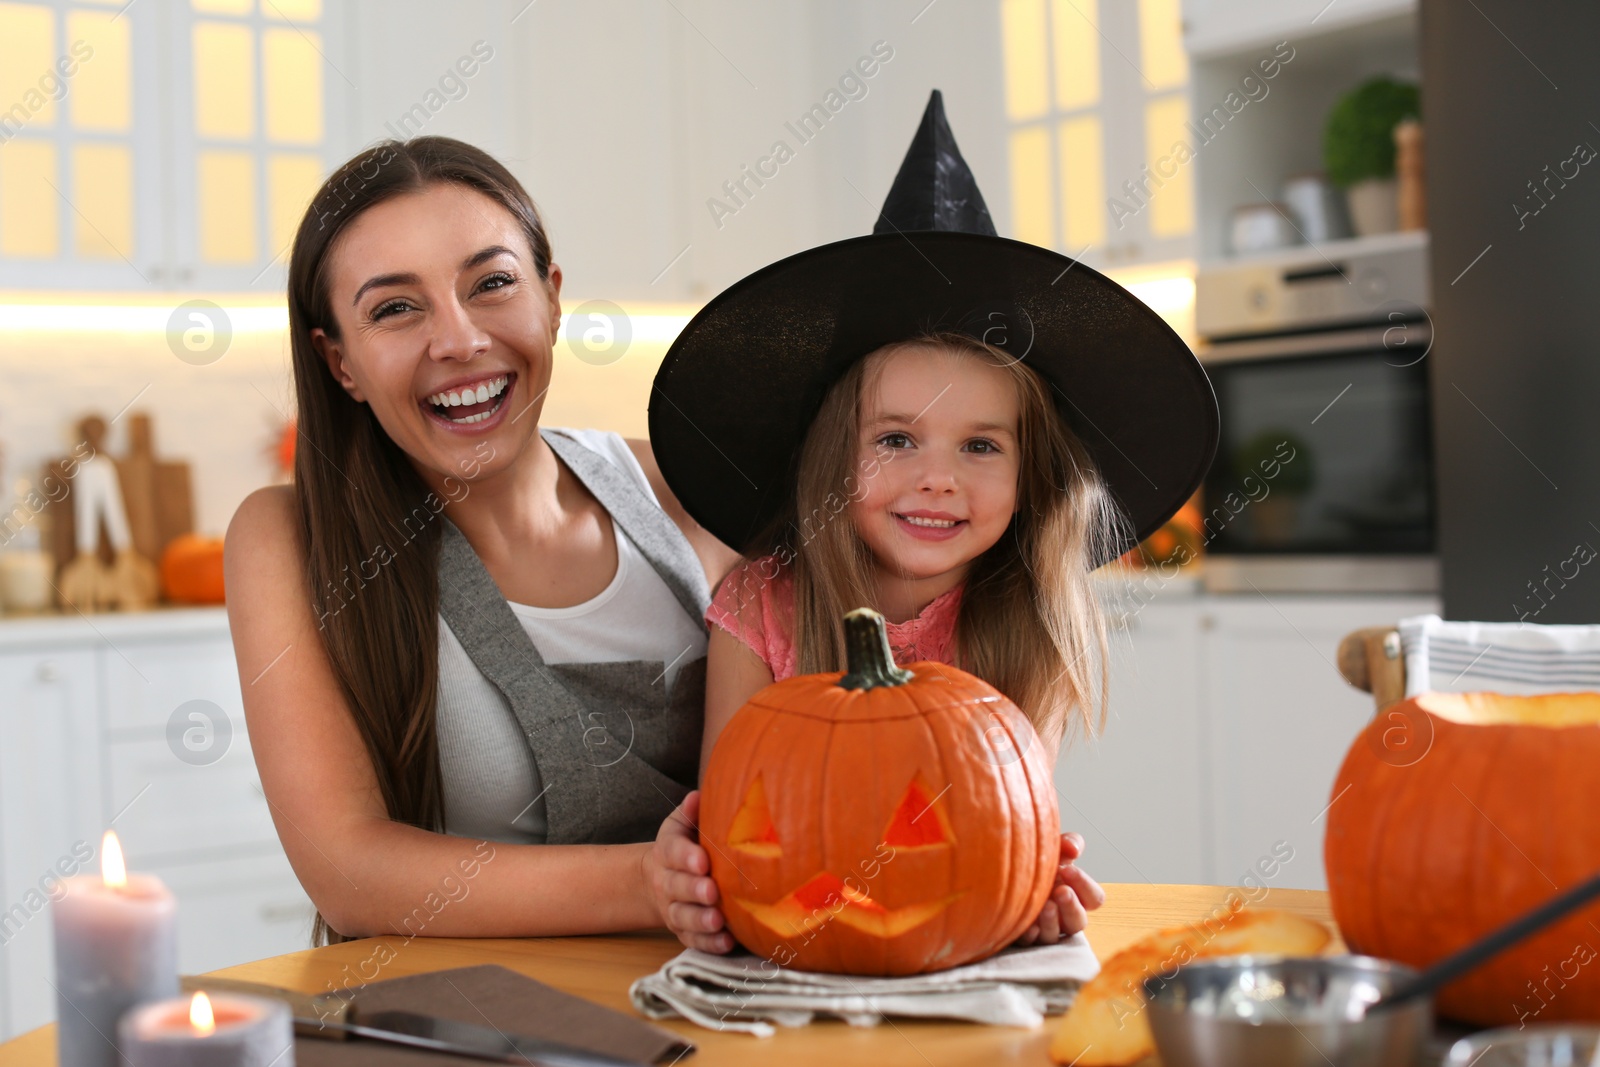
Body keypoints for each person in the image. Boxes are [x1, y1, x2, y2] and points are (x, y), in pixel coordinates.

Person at [648, 91, 1220, 950]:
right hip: (787, 960)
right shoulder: (759, 607)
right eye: (897, 439)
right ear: (835, 455)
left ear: (1034, 474)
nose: (939, 480)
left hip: (956, 965)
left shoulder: (1031, 621)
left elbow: (1004, 837)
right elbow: (734, 828)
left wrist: (1034, 887)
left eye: (981, 446)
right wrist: (686, 874)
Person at [225, 136, 738, 949]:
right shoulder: (290, 540)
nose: (459, 340)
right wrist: (650, 881)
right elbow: (352, 874)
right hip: (466, 1023)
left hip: (715, 1010)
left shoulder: (681, 493)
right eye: (396, 308)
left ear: (553, 298)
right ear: (341, 362)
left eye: (492, 283)